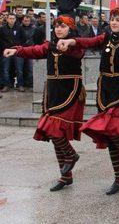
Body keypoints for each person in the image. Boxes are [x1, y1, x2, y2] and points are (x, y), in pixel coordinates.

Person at [57, 8, 119, 195]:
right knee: (109, 136)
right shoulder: (106, 37)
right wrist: (72, 41)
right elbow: (89, 41)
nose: (114, 22)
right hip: (105, 87)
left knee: (111, 126)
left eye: (118, 20)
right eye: (112, 19)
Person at [3, 16, 85, 191]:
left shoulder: (76, 45)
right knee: (54, 134)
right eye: (56, 27)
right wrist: (16, 50)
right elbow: (35, 50)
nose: (58, 29)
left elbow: (78, 52)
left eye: (62, 27)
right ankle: (65, 176)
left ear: (70, 29)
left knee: (53, 128)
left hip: (69, 89)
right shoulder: (50, 45)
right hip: (53, 91)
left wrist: (70, 44)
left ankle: (71, 155)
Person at [1, 13, 26, 92]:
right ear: (7, 19)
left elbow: (24, 39)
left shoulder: (20, 28)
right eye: (10, 18)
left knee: (19, 69)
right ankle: (6, 85)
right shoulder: (2, 29)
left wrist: (19, 47)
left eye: (13, 18)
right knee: (5, 69)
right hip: (6, 51)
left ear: (15, 19)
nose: (12, 20)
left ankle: (20, 85)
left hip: (17, 51)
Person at [20, 15, 35, 89]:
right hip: (21, 49)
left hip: (30, 49)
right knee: (20, 68)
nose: (26, 22)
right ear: (22, 21)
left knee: (30, 68)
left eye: (28, 21)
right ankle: (21, 84)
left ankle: (30, 83)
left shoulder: (34, 28)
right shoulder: (19, 28)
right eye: (25, 21)